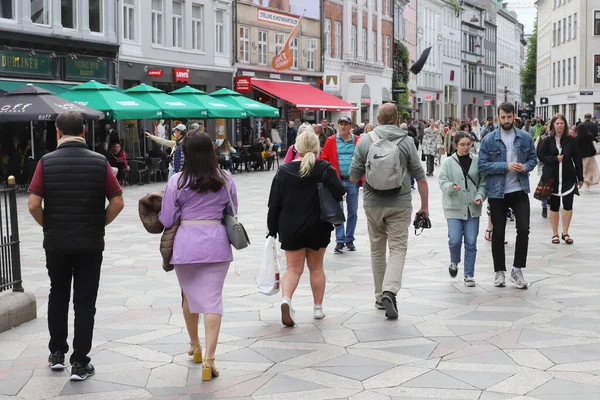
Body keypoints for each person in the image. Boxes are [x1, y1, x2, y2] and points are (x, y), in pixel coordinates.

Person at [28, 111, 124, 381]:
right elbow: (117, 201)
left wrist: (48, 225)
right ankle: (80, 363)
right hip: (90, 243)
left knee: (57, 294)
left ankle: (57, 353)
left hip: (56, 242)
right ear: (83, 131)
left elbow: (34, 204)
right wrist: (99, 224)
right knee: (84, 302)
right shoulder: (99, 162)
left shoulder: (45, 162)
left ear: (57, 132)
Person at [158, 132, 237, 381]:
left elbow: (167, 219)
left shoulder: (177, 182)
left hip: (186, 245)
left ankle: (194, 344)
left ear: (187, 155)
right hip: (216, 243)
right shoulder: (225, 179)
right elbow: (233, 211)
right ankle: (209, 360)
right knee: (213, 300)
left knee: (189, 296)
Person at [349, 103, 429, 319]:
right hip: (400, 203)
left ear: (377, 117)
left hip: (373, 203)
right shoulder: (407, 141)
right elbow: (420, 177)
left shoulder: (365, 139)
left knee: (377, 250)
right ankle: (390, 291)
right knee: (398, 249)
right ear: (396, 119)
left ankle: (379, 296)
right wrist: (424, 207)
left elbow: (354, 177)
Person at [267, 129, 345, 326]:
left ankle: (286, 300)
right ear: (317, 147)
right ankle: (318, 308)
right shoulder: (325, 168)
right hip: (318, 225)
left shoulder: (284, 171)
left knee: (293, 269)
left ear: (296, 148)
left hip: (291, 227)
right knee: (316, 268)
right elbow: (340, 191)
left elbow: (273, 204)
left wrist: (272, 229)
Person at [478, 102, 537, 289]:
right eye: (502, 117)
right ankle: (499, 272)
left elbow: (533, 159)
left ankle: (517, 269)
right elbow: (482, 165)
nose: (506, 120)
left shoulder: (525, 137)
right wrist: (506, 166)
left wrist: (525, 167)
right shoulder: (489, 139)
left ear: (514, 117)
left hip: (519, 189)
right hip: (497, 192)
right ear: (498, 117)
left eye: (509, 117)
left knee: (524, 229)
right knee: (498, 233)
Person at [438, 132, 487, 287]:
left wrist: (480, 195)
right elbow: (442, 181)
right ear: (455, 145)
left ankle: (469, 274)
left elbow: (483, 183)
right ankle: (454, 261)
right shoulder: (448, 162)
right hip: (454, 206)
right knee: (455, 240)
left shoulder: (477, 161)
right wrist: (450, 187)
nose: (466, 147)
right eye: (463, 144)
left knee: (471, 242)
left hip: (473, 206)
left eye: (468, 144)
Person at [537, 114, 583, 244]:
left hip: (568, 177)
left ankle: (566, 232)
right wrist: (555, 159)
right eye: (557, 123)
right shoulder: (547, 140)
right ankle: (555, 233)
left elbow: (577, 159)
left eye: (562, 123)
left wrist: (580, 176)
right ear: (553, 125)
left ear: (565, 125)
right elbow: (541, 156)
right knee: (554, 206)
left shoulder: (571, 140)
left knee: (568, 205)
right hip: (552, 178)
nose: (559, 126)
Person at [321, 116, 362, 254]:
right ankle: (339, 240)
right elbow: (324, 159)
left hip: (352, 180)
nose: (343, 127)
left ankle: (349, 238)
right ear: (338, 126)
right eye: (341, 124)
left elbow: (363, 158)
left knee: (353, 211)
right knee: (337, 211)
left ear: (351, 126)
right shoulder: (331, 141)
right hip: (336, 181)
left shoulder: (357, 140)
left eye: (346, 124)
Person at [576, 113, 600, 191]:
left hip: (581, 155)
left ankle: (583, 181)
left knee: (583, 168)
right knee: (590, 169)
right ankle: (588, 184)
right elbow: (596, 138)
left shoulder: (577, 137)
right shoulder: (592, 128)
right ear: (590, 117)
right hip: (590, 153)